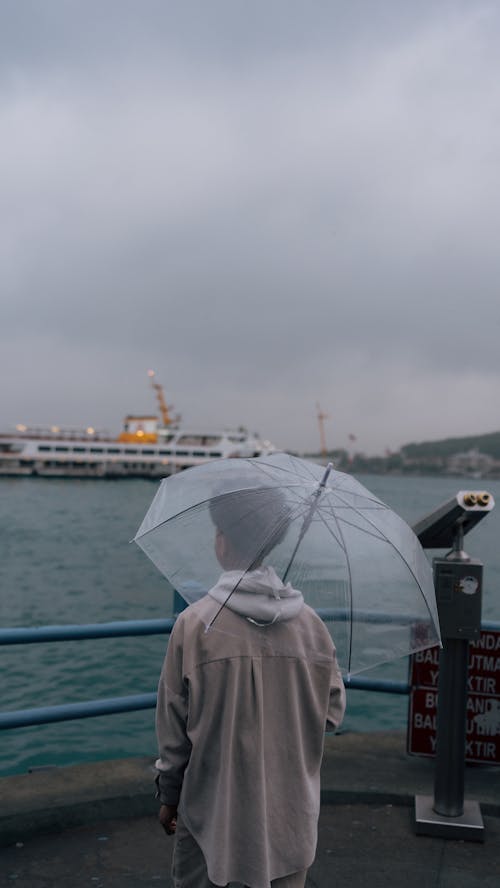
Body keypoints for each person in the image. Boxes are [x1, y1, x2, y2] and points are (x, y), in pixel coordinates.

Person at [154, 486, 346, 888]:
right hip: (290, 818)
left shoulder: (196, 624)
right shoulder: (311, 626)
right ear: (272, 541)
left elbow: (174, 736)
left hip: (214, 817)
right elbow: (331, 715)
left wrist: (169, 796)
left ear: (222, 540)